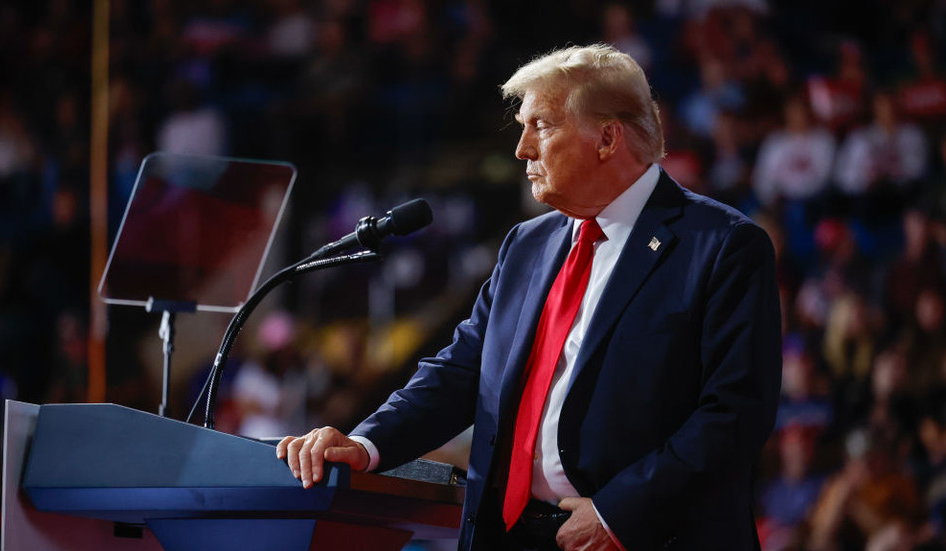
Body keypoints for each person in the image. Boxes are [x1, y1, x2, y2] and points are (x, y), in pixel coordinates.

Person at [277, 44, 782, 551]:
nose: (521, 148)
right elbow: (462, 372)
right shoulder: (528, 244)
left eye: (540, 125)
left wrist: (618, 514)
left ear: (607, 138)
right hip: (509, 535)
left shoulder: (721, 245)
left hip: (640, 536)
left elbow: (734, 414)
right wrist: (366, 443)